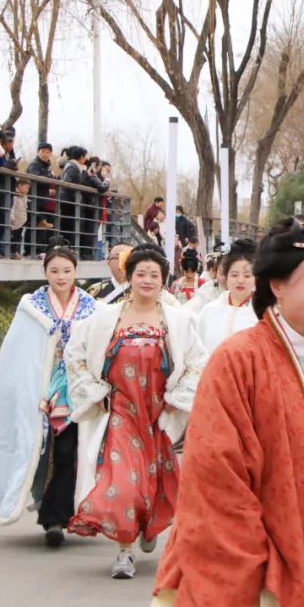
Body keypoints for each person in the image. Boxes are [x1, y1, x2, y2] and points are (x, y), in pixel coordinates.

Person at [141, 216, 304, 607]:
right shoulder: (238, 360)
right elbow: (215, 474)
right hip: (254, 568)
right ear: (277, 284)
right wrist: (261, 556)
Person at [64, 243, 206, 578]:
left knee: (151, 481)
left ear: (163, 280)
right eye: (140, 273)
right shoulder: (104, 317)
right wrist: (95, 395)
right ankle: (124, 550)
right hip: (120, 413)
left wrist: (179, 398)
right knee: (122, 483)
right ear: (129, 278)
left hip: (157, 415)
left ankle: (146, 527)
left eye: (154, 275)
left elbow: (199, 363)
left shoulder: (179, 321)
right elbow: (75, 354)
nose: (146, 280)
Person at [0, 237, 98, 541]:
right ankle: (48, 507)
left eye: (67, 270)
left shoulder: (91, 308)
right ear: (45, 272)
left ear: (75, 272)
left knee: (69, 451)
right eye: (55, 271)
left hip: (75, 392)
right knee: (40, 451)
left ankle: (55, 519)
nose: (61, 277)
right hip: (39, 391)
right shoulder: (32, 307)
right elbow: (17, 353)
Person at [196, 238, 257, 355]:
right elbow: (198, 352)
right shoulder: (209, 311)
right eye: (234, 275)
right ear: (226, 276)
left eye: (247, 276)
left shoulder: (264, 315)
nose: (240, 280)